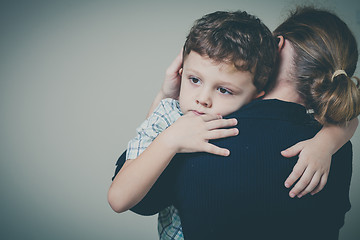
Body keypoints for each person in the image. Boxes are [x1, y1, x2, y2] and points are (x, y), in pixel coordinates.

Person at [109, 7, 359, 240]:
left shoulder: (201, 134)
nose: (203, 100)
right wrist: (328, 141)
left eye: (223, 89)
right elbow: (349, 121)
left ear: (277, 44)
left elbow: (135, 200)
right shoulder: (336, 148)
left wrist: (164, 101)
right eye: (195, 79)